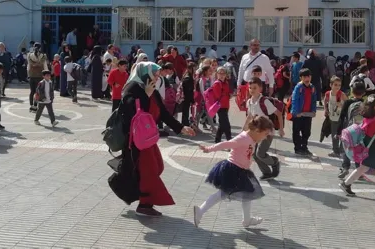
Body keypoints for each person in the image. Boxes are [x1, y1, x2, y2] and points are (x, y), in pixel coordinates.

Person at [113, 62, 195, 217]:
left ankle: (140, 196)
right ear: (146, 74)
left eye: (158, 75)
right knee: (149, 171)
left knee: (157, 166)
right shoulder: (132, 89)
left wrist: (181, 128)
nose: (157, 78)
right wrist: (146, 95)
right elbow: (130, 113)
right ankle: (145, 204)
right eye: (155, 75)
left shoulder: (152, 90)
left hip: (148, 139)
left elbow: (163, 113)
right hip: (136, 142)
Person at [193, 115, 271, 228]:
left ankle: (247, 220)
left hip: (241, 170)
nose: (265, 137)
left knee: (248, 193)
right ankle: (200, 211)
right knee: (222, 194)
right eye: (265, 134)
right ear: (258, 130)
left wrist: (249, 161)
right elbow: (226, 144)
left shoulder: (252, 137)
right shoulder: (243, 138)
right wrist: (209, 149)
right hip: (233, 170)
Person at [338, 94, 375, 197]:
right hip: (373, 148)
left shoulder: (368, 118)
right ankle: (346, 184)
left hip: (368, 146)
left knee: (371, 167)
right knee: (369, 167)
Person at [245, 77, 283, 180]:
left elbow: (279, 113)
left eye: (254, 88)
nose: (252, 90)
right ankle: (266, 172)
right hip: (256, 132)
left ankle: (274, 162)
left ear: (260, 89)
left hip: (267, 132)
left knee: (260, 153)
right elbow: (249, 117)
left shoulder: (264, 101)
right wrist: (243, 131)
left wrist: (281, 129)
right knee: (254, 154)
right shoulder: (249, 102)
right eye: (250, 88)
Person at [289, 68, 317, 156]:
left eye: (308, 76)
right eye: (304, 77)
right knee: (296, 131)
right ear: (301, 78)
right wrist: (296, 112)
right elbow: (294, 99)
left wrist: (313, 110)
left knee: (307, 132)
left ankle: (304, 147)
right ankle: (297, 148)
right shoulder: (298, 87)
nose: (307, 78)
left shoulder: (312, 87)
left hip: (307, 114)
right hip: (298, 114)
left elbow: (314, 100)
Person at [324, 76, 346, 157]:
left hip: (341, 118)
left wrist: (342, 105)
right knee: (334, 134)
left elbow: (347, 104)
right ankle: (335, 150)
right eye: (335, 85)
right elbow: (325, 101)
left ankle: (341, 150)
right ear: (331, 85)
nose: (337, 87)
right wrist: (325, 109)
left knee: (342, 135)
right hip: (332, 117)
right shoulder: (327, 93)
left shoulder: (342, 94)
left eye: (339, 85)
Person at [212, 66, 232, 143]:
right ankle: (230, 142)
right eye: (220, 73)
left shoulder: (226, 83)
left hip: (226, 106)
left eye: (223, 73)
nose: (221, 75)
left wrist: (228, 95)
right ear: (217, 74)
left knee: (222, 125)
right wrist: (226, 95)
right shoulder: (217, 84)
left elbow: (227, 93)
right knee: (227, 126)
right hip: (220, 107)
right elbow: (217, 96)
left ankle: (217, 141)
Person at [27, 44, 48, 111]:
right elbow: (45, 66)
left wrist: (28, 74)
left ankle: (31, 105)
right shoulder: (43, 56)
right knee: (37, 92)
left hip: (32, 75)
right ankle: (35, 105)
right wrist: (47, 75)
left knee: (32, 91)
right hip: (39, 75)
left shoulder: (29, 55)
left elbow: (28, 67)